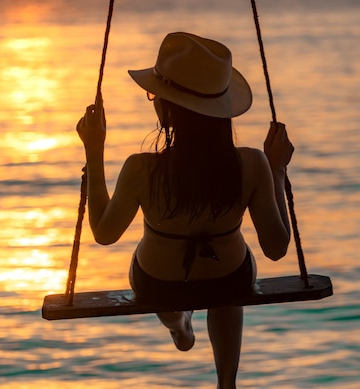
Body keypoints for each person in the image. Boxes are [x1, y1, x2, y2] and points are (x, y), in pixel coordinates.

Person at [75, 32, 294, 389]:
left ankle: (178, 323)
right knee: (228, 283)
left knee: (159, 267)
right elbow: (276, 248)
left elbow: (104, 233)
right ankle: (227, 383)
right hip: (228, 279)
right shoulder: (252, 164)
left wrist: (94, 151)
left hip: (158, 285)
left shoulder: (142, 169)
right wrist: (278, 170)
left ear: (167, 106)